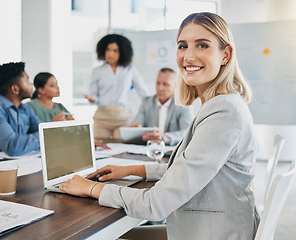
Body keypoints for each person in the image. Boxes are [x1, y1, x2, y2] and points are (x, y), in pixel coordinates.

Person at [60, 12, 259, 240]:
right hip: (208, 226)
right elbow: (189, 169)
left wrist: (92, 188)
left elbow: (155, 205)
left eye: (202, 45)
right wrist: (132, 170)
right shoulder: (218, 104)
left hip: (216, 232)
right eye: (182, 46)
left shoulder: (224, 112)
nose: (188, 56)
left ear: (226, 55)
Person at [83, 34, 150, 139]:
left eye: (115, 51)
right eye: (108, 50)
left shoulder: (130, 70)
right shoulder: (97, 71)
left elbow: (144, 93)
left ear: (122, 52)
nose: (110, 54)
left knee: (122, 149)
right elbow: (94, 96)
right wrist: (92, 98)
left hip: (124, 117)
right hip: (102, 116)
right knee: (99, 148)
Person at [0, 62, 41, 156]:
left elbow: (40, 129)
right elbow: (12, 147)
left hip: (14, 164)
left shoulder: (25, 108)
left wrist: (45, 132)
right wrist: (44, 135)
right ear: (15, 89)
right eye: (27, 80)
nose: (31, 83)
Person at [130, 67, 192, 146]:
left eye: (165, 84)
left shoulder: (183, 104)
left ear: (176, 86)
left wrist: (163, 137)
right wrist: (135, 129)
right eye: (158, 83)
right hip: (149, 150)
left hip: (172, 152)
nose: (160, 88)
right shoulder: (147, 102)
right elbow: (136, 124)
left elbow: (187, 133)